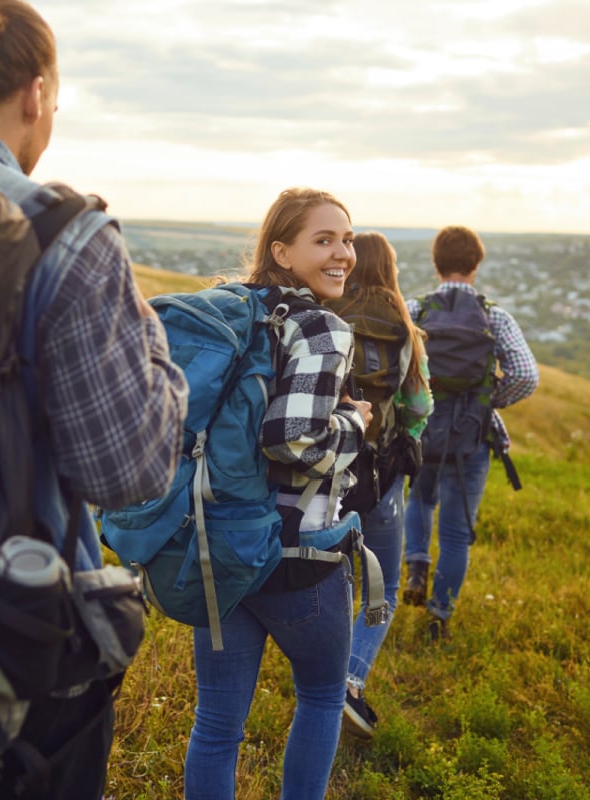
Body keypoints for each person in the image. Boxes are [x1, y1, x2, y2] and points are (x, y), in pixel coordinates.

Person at [0, 2, 189, 798]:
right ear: (34, 95)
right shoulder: (64, 232)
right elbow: (127, 469)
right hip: (10, 643)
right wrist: (161, 363)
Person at [183, 188, 373, 800]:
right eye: (325, 240)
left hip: (218, 545)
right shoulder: (321, 327)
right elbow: (290, 440)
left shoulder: (229, 308)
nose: (343, 253)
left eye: (347, 239)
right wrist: (356, 426)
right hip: (298, 555)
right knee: (320, 696)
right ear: (282, 251)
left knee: (215, 726)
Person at [402, 225, 539, 638]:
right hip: (472, 438)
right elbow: (526, 376)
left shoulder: (415, 309)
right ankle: (439, 617)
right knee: (458, 535)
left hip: (422, 429)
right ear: (476, 264)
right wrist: (485, 401)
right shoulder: (494, 315)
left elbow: (395, 365)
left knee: (420, 500)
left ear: (436, 263)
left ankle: (416, 566)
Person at [326, 232, 433, 739]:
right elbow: (420, 408)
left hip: (321, 470)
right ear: (389, 269)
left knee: (329, 577)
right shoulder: (405, 330)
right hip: (381, 472)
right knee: (383, 585)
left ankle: (320, 677)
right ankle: (347, 680)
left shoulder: (323, 316)